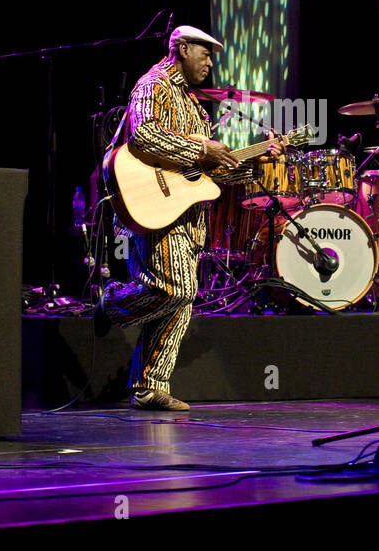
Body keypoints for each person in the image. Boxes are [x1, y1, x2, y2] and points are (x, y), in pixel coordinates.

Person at [93, 25, 283, 410]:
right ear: (181, 49)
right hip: (148, 202)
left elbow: (209, 175)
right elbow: (144, 135)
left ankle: (149, 386)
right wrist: (201, 149)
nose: (211, 63)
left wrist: (254, 161)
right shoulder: (154, 84)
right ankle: (111, 302)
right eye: (205, 53)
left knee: (182, 299)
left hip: (183, 210)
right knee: (174, 290)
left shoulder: (195, 108)